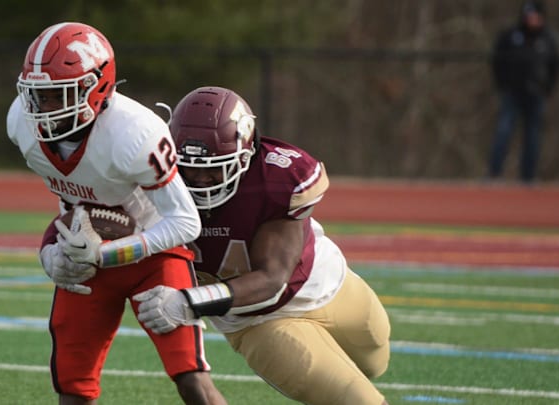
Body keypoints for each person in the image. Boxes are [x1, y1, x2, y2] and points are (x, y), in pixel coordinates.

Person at [6, 22, 226, 405]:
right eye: (38, 95)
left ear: (98, 87)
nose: (45, 109)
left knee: (190, 376)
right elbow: (69, 201)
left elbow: (186, 221)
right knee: (72, 386)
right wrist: (51, 253)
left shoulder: (133, 132)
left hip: (155, 253)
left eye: (60, 95)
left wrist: (109, 252)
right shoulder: (20, 124)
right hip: (88, 256)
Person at [134, 86, 392, 404]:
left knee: (376, 360)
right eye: (190, 167)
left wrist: (189, 301)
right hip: (261, 323)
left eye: (214, 167)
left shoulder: (278, 177)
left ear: (246, 153)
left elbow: (272, 278)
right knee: (360, 401)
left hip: (330, 283)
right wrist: (59, 249)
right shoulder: (150, 183)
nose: (200, 179)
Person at [488, 0, 559, 184]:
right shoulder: (511, 35)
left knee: (532, 137)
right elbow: (497, 59)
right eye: (529, 16)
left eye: (535, 16)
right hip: (512, 93)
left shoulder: (547, 39)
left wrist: (548, 88)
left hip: (535, 94)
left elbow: (556, 66)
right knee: (503, 131)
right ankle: (494, 174)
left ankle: (528, 177)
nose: (532, 20)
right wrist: (502, 83)